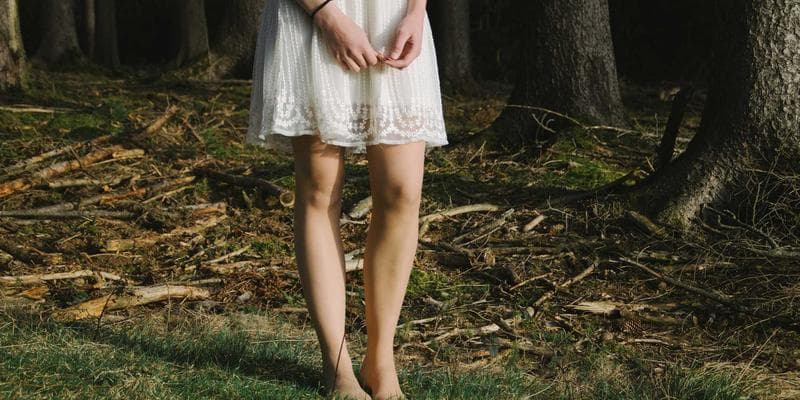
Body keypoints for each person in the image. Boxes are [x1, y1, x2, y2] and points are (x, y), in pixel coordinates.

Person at [246, 0, 448, 398]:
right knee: (320, 188)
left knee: (402, 191)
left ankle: (381, 362)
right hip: (315, 16)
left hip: (392, 15)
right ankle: (337, 368)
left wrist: (416, 12)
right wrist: (326, 15)